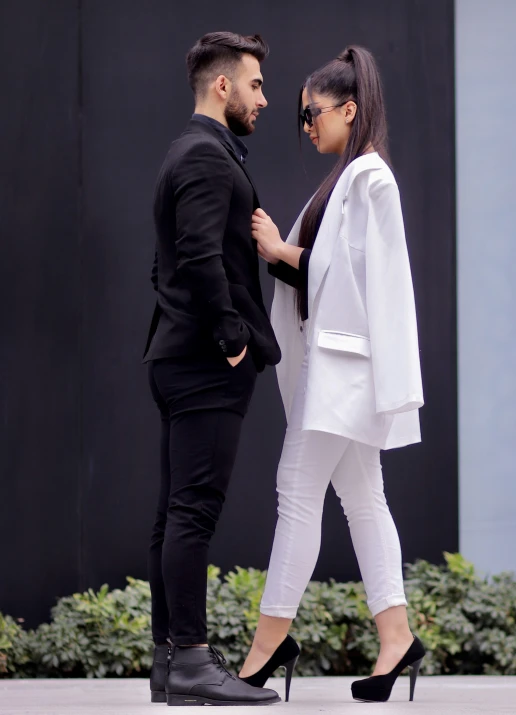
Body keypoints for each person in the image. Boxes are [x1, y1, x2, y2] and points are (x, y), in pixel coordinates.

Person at [238, 46, 426, 704]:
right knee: (362, 499)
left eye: (312, 113)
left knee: (297, 491)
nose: (306, 124)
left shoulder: (369, 178)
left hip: (345, 369)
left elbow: (356, 279)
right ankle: (397, 636)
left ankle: (265, 647)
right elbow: (330, 271)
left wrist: (280, 250)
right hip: (342, 369)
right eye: (301, 117)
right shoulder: (351, 177)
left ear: (349, 108)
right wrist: (288, 254)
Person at [142, 31, 281, 707]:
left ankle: (171, 663)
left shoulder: (188, 152)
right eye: (255, 84)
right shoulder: (204, 155)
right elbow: (197, 255)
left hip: (178, 354)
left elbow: (167, 259)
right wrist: (232, 336)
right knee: (192, 511)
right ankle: (192, 661)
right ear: (221, 85)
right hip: (202, 362)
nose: (264, 97)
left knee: (176, 514)